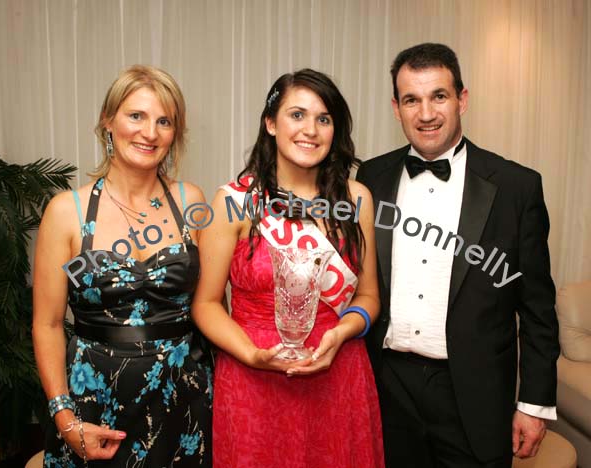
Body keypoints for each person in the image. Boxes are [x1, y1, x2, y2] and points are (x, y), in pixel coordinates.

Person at [356, 43, 560, 468]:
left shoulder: (516, 188)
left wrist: (534, 404)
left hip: (473, 392)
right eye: (412, 99)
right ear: (396, 107)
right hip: (387, 386)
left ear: (462, 99)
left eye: (439, 96)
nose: (426, 113)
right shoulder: (370, 177)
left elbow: (538, 309)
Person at [191, 68, 384, 468]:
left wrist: (341, 332)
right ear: (270, 124)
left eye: (324, 119)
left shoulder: (357, 199)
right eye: (297, 115)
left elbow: (368, 297)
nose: (310, 129)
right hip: (253, 380)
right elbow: (206, 304)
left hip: (340, 376)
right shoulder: (234, 201)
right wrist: (252, 354)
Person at [33, 65, 212, 467]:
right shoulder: (67, 212)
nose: (150, 133)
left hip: (183, 398)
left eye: (164, 121)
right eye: (137, 116)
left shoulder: (190, 200)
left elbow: (210, 306)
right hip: (93, 403)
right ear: (108, 121)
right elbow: (46, 324)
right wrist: (65, 419)